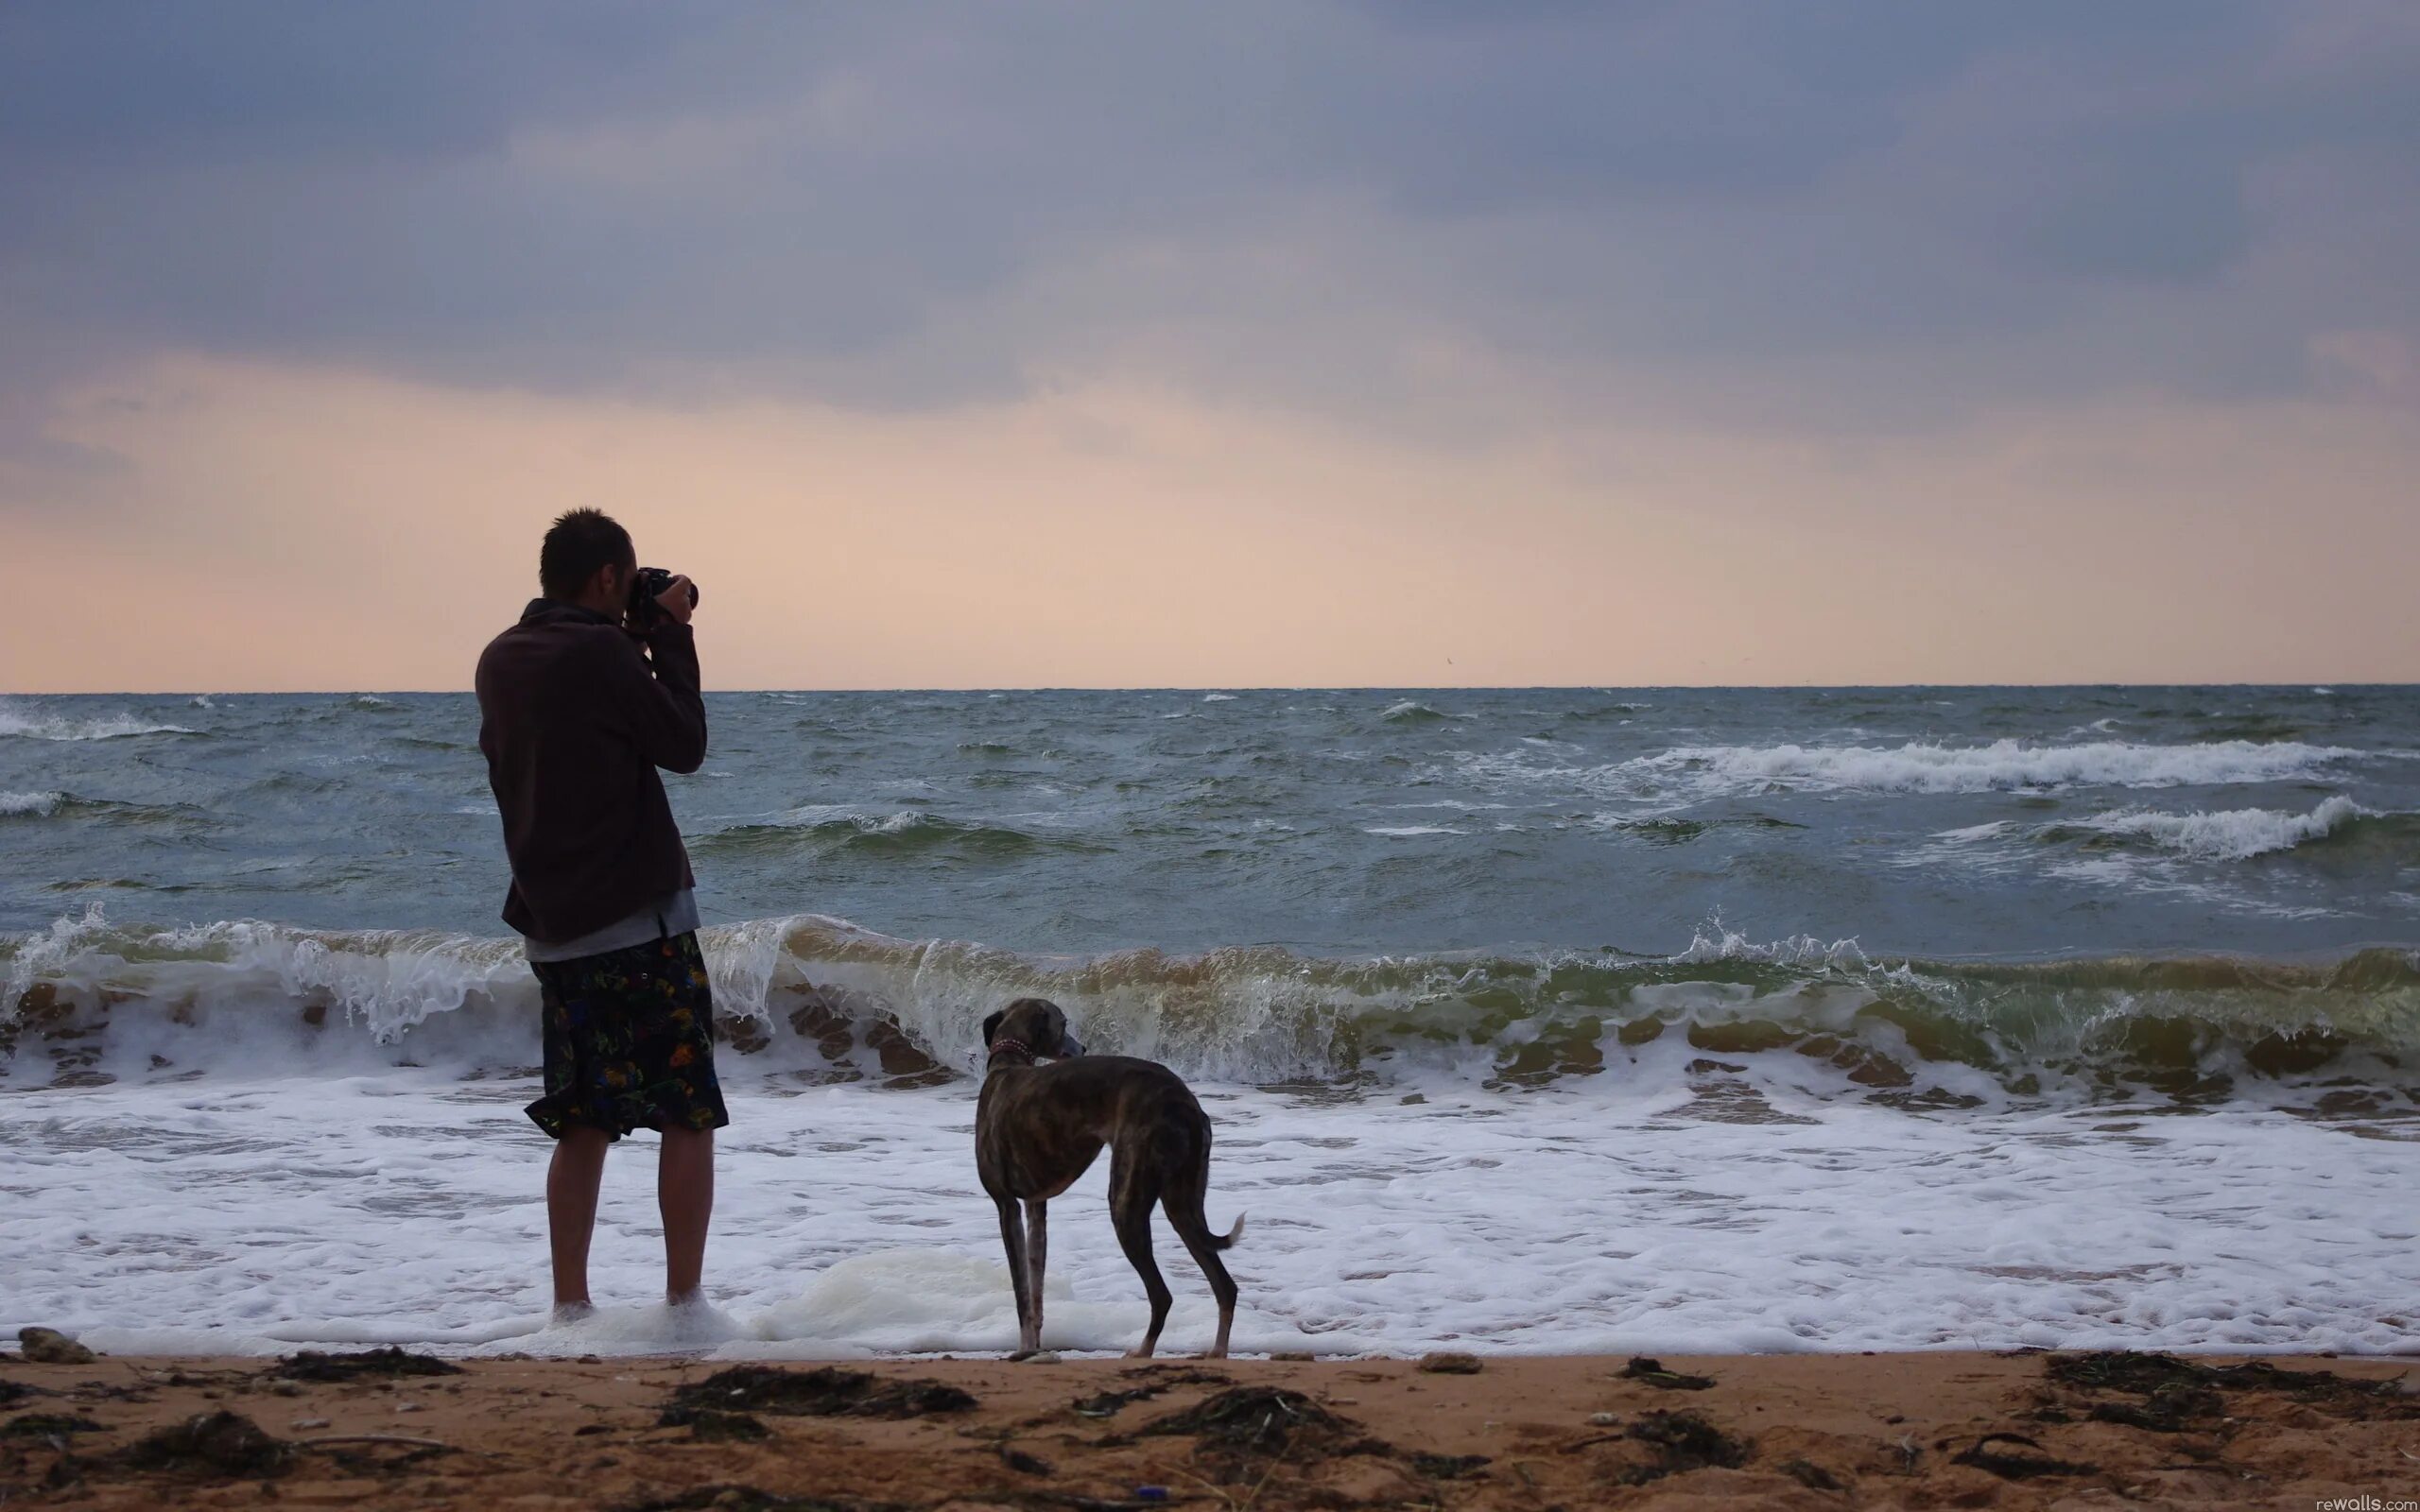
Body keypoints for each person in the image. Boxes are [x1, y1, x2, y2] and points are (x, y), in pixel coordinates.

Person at [475, 507, 723, 1318]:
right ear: (610, 578)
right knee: (685, 1111)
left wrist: (636, 640)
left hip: (554, 928)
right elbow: (683, 744)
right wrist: (673, 636)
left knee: (582, 1120)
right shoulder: (604, 650)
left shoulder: (502, 659)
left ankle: (569, 1311)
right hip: (640, 920)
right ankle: (684, 1305)